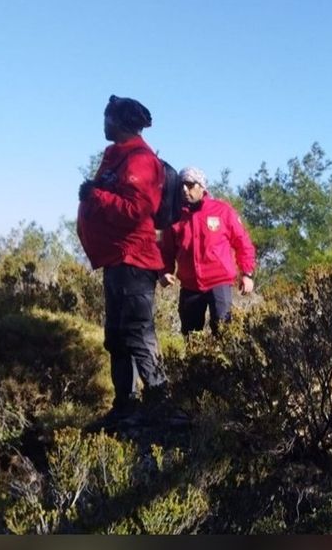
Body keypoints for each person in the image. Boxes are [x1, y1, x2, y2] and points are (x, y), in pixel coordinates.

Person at [77, 95, 170, 427]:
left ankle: (161, 403)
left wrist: (95, 196)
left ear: (120, 122)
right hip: (117, 259)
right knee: (116, 335)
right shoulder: (118, 156)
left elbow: (136, 212)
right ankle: (124, 406)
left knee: (138, 333)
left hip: (134, 260)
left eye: (107, 117)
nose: (104, 123)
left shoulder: (140, 161)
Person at [159, 166, 256, 335]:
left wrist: (246, 274)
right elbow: (165, 249)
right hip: (190, 285)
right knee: (191, 337)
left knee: (224, 332)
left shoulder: (222, 211)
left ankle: (223, 362)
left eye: (190, 185)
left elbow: (243, 243)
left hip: (219, 283)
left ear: (201, 187)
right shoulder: (175, 216)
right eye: (181, 185)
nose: (184, 189)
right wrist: (164, 272)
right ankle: (195, 363)